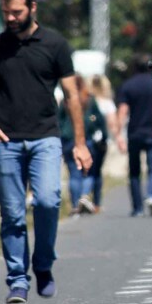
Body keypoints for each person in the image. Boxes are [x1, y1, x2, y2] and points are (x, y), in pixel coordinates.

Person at [0, 0, 91, 304]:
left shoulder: (55, 44)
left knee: (48, 201)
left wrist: (79, 143)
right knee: (12, 213)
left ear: (32, 8)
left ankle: (43, 264)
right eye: (5, 12)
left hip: (46, 139)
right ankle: (17, 279)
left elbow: (71, 96)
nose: (10, 18)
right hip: (6, 141)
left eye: (16, 12)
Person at [115, 53, 152, 217]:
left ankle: (137, 207)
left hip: (134, 133)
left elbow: (123, 112)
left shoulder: (128, 86)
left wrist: (118, 135)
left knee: (134, 172)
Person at [58, 75, 108, 216]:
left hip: (68, 140)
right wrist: (104, 137)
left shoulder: (65, 101)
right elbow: (100, 120)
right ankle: (85, 195)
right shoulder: (89, 99)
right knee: (89, 172)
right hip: (87, 140)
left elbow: (58, 121)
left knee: (74, 174)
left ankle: (75, 205)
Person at [82, 74, 118, 213]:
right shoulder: (107, 103)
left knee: (85, 170)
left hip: (85, 139)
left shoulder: (87, 100)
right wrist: (117, 138)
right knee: (96, 171)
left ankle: (81, 197)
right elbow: (112, 123)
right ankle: (94, 201)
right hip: (100, 142)